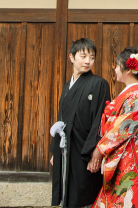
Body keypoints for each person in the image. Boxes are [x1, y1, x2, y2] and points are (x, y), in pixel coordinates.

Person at [87, 46, 138, 208]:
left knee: (131, 197)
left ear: (127, 69)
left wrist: (99, 150)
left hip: (131, 159)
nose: (115, 70)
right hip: (132, 157)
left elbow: (122, 129)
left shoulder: (137, 97)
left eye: (116, 66)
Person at [50, 38, 110, 208]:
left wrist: (96, 152)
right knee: (68, 192)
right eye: (83, 56)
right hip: (68, 148)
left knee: (85, 193)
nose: (87, 61)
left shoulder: (99, 83)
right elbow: (61, 120)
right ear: (71, 57)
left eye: (91, 57)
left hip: (85, 149)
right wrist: (56, 150)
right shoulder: (68, 85)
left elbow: (102, 119)